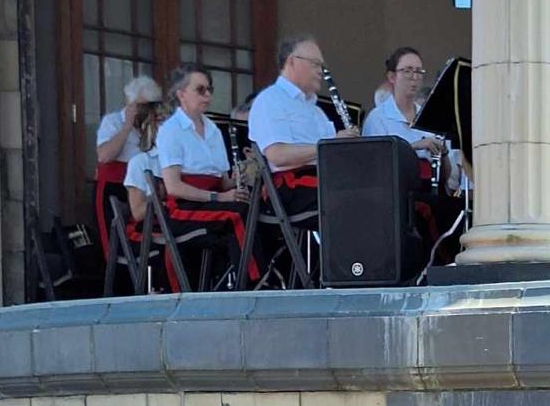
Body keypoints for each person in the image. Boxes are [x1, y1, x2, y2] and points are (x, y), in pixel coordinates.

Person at [156, 63, 255, 287]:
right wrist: (219, 198)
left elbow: (223, 181)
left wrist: (247, 171)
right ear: (181, 94)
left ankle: (245, 276)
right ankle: (252, 279)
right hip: (184, 208)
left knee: (254, 205)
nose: (207, 95)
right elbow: (173, 187)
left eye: (209, 89)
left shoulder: (213, 130)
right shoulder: (171, 130)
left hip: (213, 203)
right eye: (200, 90)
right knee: (237, 213)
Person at [247, 34, 358, 218]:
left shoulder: (316, 111)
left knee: (378, 190)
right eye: (315, 64)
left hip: (320, 179)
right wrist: (329, 145)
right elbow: (278, 155)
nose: (321, 71)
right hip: (290, 184)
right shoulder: (270, 100)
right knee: (359, 195)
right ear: (292, 61)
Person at [96, 75, 162, 164]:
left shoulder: (159, 124)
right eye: (142, 106)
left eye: (151, 106)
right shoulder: (113, 121)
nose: (147, 110)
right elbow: (104, 156)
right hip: (120, 176)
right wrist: (127, 126)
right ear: (129, 103)